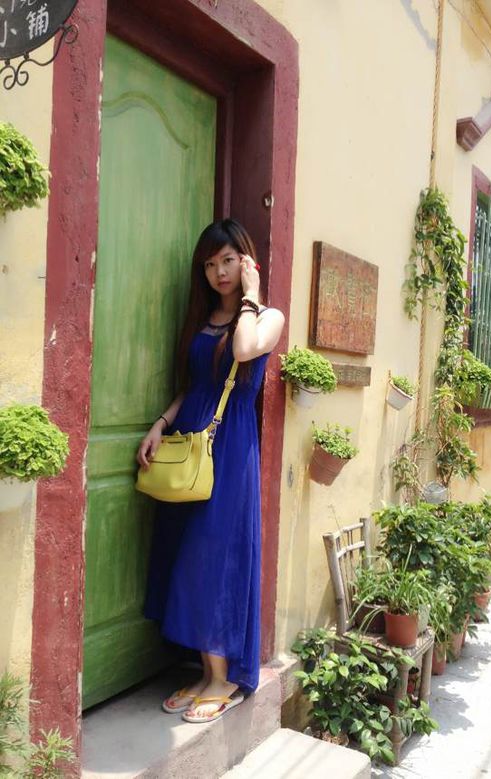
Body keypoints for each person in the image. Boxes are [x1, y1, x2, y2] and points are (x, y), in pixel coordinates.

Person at [136, 218, 284, 723]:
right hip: (189, 444)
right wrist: (161, 424)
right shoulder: (203, 320)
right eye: (210, 264)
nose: (219, 272)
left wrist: (251, 296)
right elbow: (193, 386)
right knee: (185, 554)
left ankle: (225, 679)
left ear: (247, 261)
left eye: (228, 261)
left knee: (214, 557)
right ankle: (206, 673)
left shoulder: (268, 318)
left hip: (230, 447)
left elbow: (243, 351)